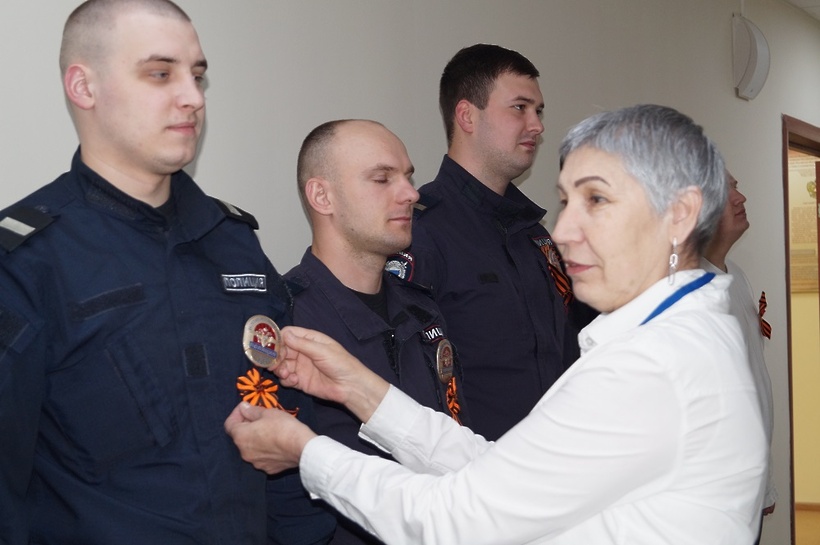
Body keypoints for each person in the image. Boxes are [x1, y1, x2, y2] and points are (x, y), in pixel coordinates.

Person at [226, 104, 768, 545]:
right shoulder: (669, 344)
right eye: (567, 202)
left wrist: (308, 453)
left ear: (679, 215)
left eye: (597, 200)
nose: (565, 231)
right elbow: (497, 472)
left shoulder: (653, 367)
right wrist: (360, 388)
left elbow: (459, 516)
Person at [0, 1, 333, 544]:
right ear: (83, 87)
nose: (193, 97)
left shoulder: (233, 244)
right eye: (160, 73)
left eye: (197, 75)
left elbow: (287, 430)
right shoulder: (27, 260)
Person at [386, 43, 593, 441]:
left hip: (559, 457)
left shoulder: (535, 235)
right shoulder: (419, 232)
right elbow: (410, 381)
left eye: (538, 111)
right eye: (520, 108)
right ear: (467, 116)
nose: (537, 125)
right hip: (475, 466)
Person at [284, 119, 469, 544]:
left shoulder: (423, 311)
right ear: (322, 196)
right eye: (382, 178)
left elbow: (451, 436)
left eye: (408, 177)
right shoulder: (287, 320)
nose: (411, 193)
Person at [702, 171, 776, 543]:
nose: (740, 197)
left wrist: (764, 487)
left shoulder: (737, 277)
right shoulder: (682, 291)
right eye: (725, 190)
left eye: (736, 186)